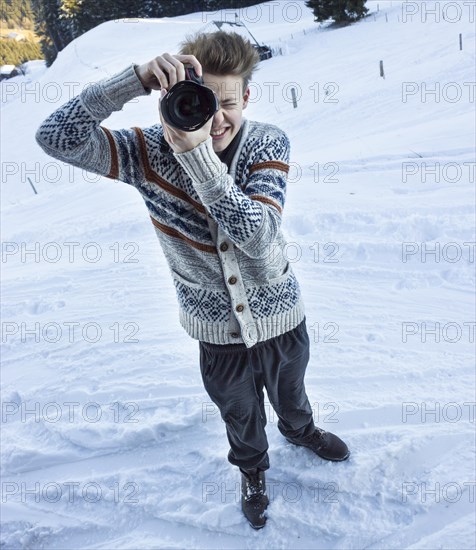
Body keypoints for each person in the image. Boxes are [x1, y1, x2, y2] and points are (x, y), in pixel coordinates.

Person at [35, 30, 350, 529]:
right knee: (239, 414)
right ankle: (252, 471)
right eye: (203, 101)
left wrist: (197, 156)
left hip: (281, 316)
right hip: (216, 332)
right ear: (175, 98)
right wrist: (131, 82)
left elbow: (258, 236)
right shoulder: (147, 153)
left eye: (228, 102)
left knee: (291, 394)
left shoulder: (268, 141)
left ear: (245, 97)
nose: (217, 117)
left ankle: (302, 431)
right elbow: (56, 138)